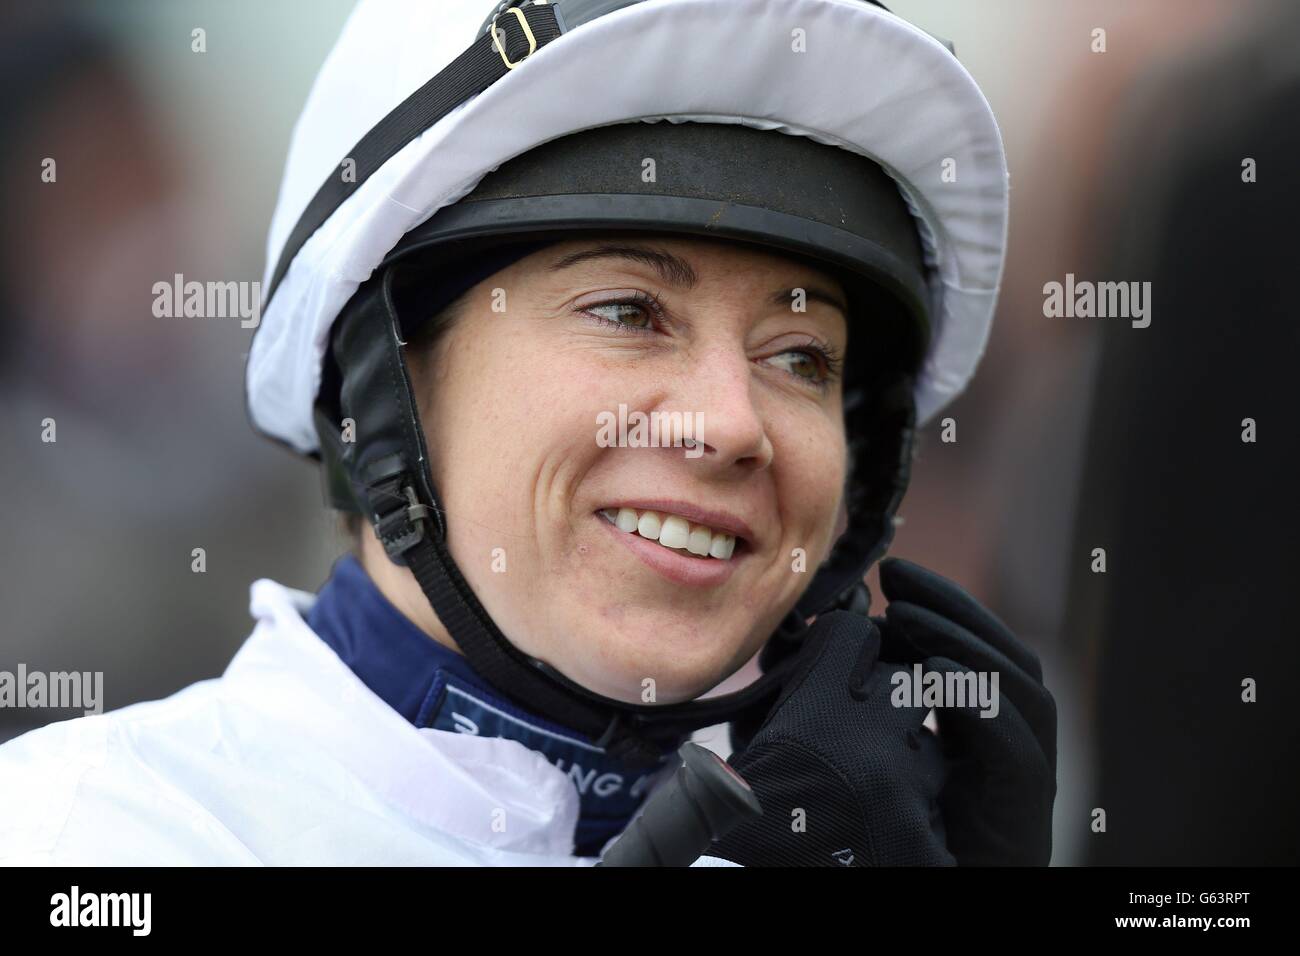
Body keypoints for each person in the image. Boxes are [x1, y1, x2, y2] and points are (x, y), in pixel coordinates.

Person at [0, 0, 1055, 866]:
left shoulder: (867, 830)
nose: (733, 424)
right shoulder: (81, 835)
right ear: (382, 381)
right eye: (629, 312)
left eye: (799, 358)